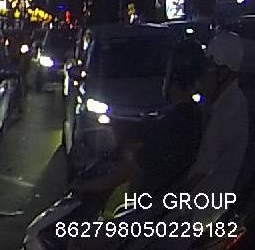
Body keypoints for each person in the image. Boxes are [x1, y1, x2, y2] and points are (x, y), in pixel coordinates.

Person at [72, 38, 206, 211]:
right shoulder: (191, 116)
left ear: (174, 80)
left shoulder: (177, 124)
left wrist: (86, 186)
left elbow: (129, 170)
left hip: (156, 211)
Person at [180, 31, 249, 222]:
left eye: (208, 69)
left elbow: (203, 171)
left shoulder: (229, 111)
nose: (202, 78)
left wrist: (170, 204)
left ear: (224, 72)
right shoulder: (225, 103)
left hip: (209, 216)